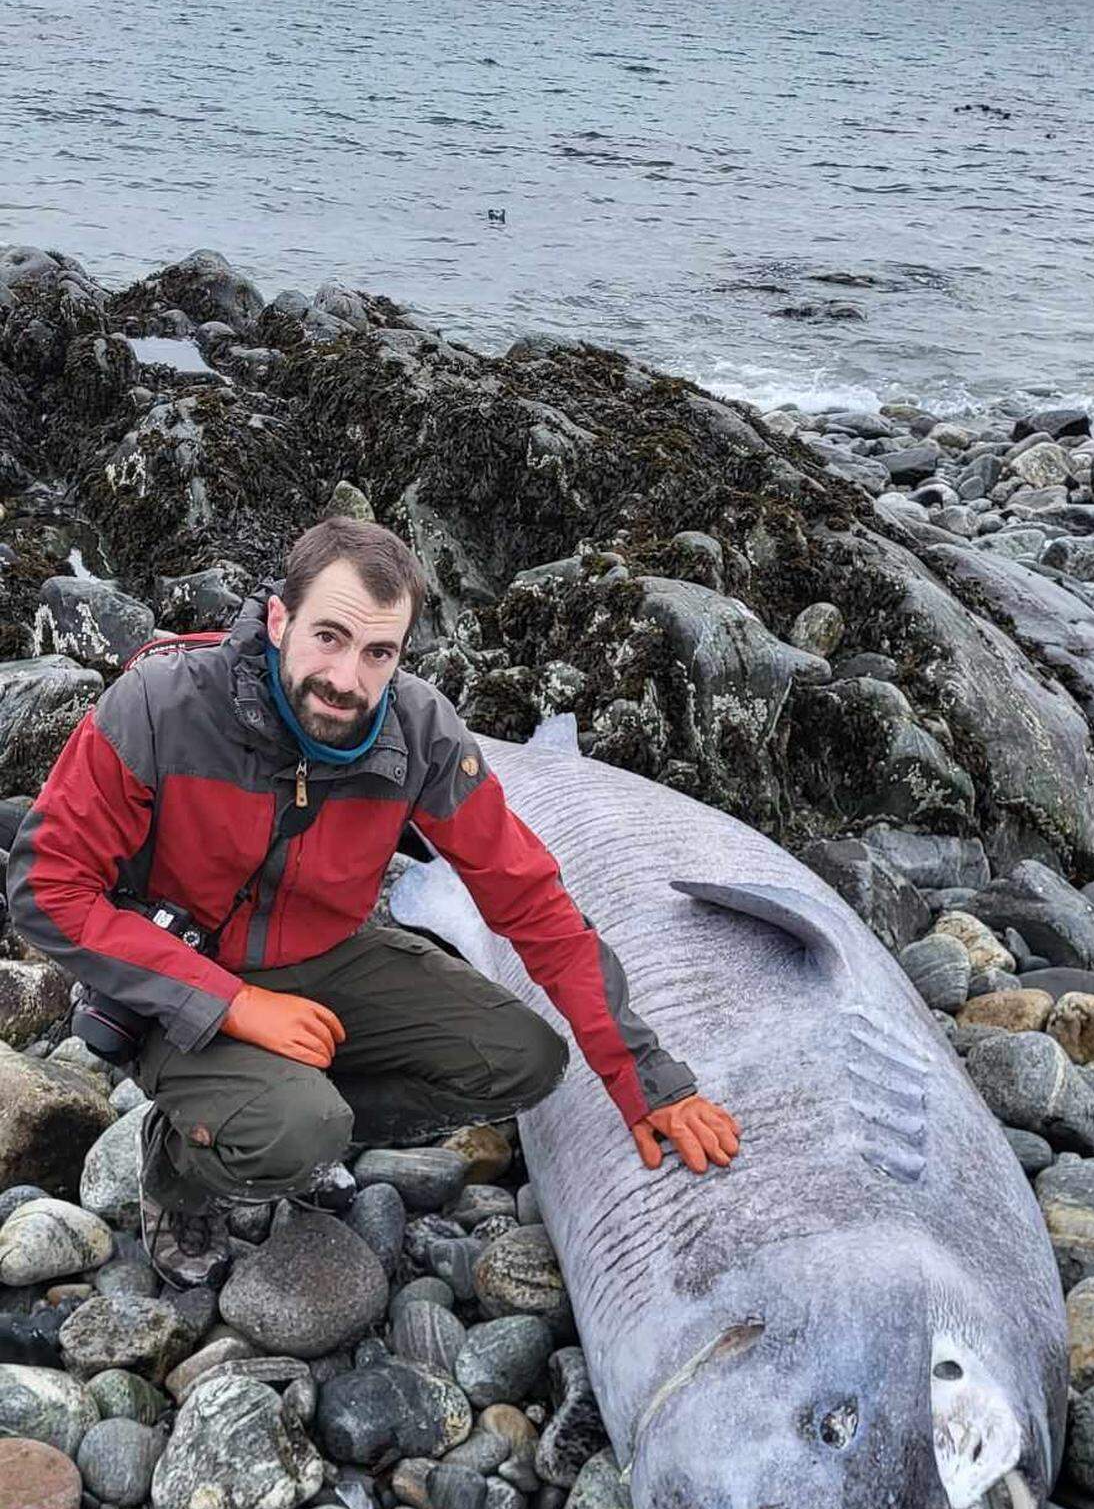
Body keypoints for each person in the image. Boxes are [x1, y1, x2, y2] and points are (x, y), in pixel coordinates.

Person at [6, 519, 740, 1288]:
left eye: (378, 653)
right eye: (329, 636)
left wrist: (649, 1081)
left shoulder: (418, 733)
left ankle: (284, 1121)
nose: (348, 679)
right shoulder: (159, 705)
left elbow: (533, 902)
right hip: (173, 982)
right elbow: (45, 886)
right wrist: (230, 1004)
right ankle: (182, 1169)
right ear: (280, 617)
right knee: (297, 1128)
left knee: (524, 1059)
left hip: (325, 959)